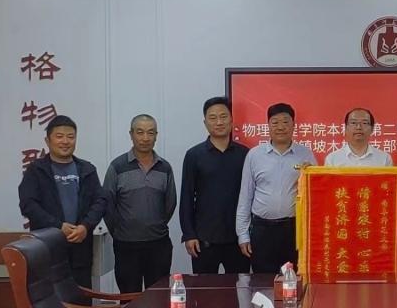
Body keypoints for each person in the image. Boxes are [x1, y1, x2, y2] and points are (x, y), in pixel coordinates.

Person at [18, 115, 106, 288]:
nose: (65, 141)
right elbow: (28, 205)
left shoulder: (87, 169)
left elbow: (100, 201)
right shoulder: (36, 170)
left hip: (80, 247)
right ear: (47, 140)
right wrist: (58, 226)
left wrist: (85, 226)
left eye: (70, 137)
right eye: (59, 136)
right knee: (50, 297)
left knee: (81, 296)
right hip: (47, 248)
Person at [236, 102, 316, 273]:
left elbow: (315, 195)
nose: (280, 127)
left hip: (293, 229)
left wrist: (310, 174)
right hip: (262, 230)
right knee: (262, 281)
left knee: (292, 280)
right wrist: (243, 235)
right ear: (268, 125)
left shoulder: (305, 154)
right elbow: (245, 197)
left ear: (293, 125)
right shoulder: (254, 155)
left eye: (286, 122)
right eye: (275, 122)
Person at [102, 114, 177, 293]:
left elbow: (170, 204)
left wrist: (153, 225)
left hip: (158, 244)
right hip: (126, 245)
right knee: (129, 298)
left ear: (156, 136)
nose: (145, 138)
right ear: (131, 134)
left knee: (158, 298)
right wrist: (121, 231)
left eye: (150, 133)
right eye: (140, 132)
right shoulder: (117, 166)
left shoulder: (165, 167)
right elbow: (107, 205)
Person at [180, 97, 251, 274]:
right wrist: (189, 234)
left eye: (223, 116)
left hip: (238, 239)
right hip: (204, 239)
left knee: (240, 288)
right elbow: (186, 197)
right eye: (213, 118)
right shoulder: (194, 155)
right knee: (204, 288)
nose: (219, 122)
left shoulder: (245, 154)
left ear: (231, 120)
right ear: (205, 123)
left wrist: (248, 234)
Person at [324, 107, 393, 167]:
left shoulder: (384, 159)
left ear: (372, 129)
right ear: (346, 128)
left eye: (364, 123)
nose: (358, 127)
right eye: (353, 123)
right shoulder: (332, 159)